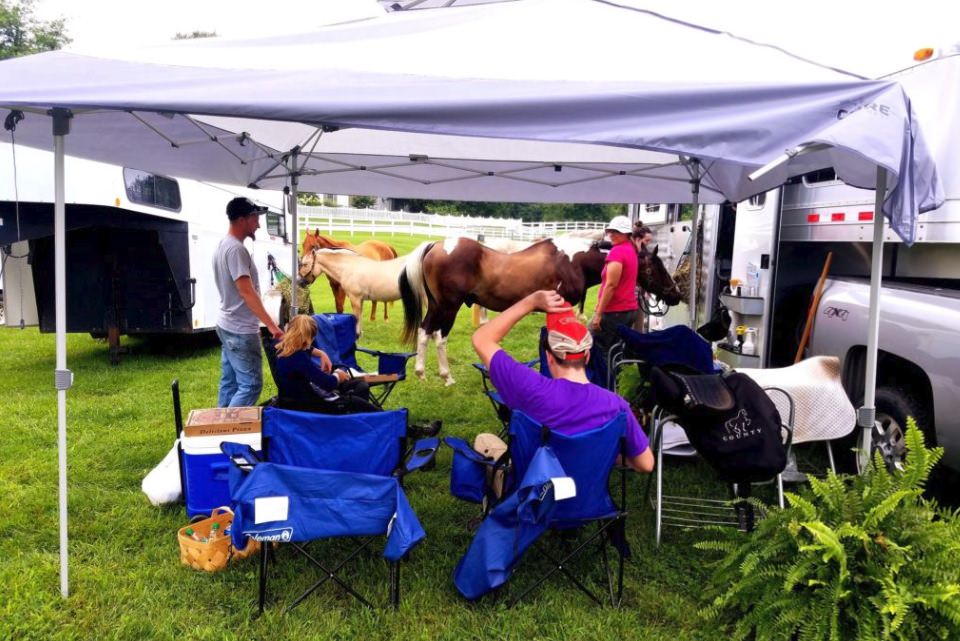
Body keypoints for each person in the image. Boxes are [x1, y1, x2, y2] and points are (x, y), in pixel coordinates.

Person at [472, 289, 654, 474]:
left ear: (549, 357)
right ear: (588, 355)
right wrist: (603, 451)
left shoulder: (527, 387)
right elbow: (646, 464)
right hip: (589, 502)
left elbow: (481, 339)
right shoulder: (616, 406)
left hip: (535, 497)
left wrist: (530, 302)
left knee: (484, 440)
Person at [213, 197, 284, 407]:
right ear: (243, 219)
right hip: (240, 330)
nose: (259, 224)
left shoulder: (223, 245)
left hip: (227, 324)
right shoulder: (235, 249)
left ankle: (217, 429)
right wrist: (272, 325)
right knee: (251, 385)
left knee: (230, 383)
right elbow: (246, 291)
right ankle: (228, 429)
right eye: (255, 218)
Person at [273, 314, 376, 414]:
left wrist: (321, 353)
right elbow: (328, 384)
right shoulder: (300, 358)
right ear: (310, 337)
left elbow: (306, 349)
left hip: (294, 402)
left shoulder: (283, 351)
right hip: (310, 407)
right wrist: (338, 375)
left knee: (360, 385)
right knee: (361, 402)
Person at [589, 215, 639, 358]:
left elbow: (611, 285)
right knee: (616, 350)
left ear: (627, 234)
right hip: (628, 310)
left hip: (614, 311)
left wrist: (598, 314)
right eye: (610, 231)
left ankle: (603, 380)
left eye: (616, 231)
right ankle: (616, 379)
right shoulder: (631, 249)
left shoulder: (617, 252)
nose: (611, 234)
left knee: (598, 351)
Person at [631, 223, 654, 330]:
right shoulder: (632, 253)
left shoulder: (643, 253)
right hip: (630, 295)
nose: (648, 244)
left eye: (649, 241)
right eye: (646, 241)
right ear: (638, 240)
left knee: (638, 326)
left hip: (638, 294)